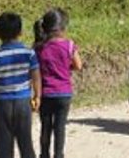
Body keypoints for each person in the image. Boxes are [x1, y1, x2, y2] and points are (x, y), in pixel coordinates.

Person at [0, 13, 40, 158]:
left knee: (4, 146)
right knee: (26, 143)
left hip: (3, 103)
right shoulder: (29, 53)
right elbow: (36, 76)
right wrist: (37, 95)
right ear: (20, 32)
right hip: (23, 102)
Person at [35, 9, 82, 158]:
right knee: (60, 127)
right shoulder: (69, 45)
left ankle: (44, 155)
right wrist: (66, 67)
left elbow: (35, 70)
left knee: (46, 127)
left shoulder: (38, 47)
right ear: (63, 28)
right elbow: (78, 66)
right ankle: (59, 155)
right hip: (64, 93)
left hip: (45, 94)